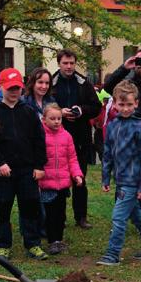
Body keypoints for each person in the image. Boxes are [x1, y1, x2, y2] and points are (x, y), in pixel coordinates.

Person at [97, 80, 141, 266]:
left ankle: (112, 253)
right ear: (114, 103)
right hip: (120, 179)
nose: (125, 108)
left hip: (132, 182)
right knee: (135, 215)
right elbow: (107, 153)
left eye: (129, 105)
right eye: (121, 104)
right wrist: (105, 177)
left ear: (136, 104)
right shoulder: (111, 126)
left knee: (118, 218)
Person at [0, 68, 48, 260]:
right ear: (1, 87)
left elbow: (39, 140)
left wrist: (39, 166)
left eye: (17, 88)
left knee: (30, 206)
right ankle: (3, 243)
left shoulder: (29, 112)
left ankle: (33, 243)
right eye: (10, 88)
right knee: (2, 207)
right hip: (2, 172)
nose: (14, 92)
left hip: (27, 171)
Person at [103, 49, 141, 216]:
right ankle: (121, 212)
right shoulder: (127, 82)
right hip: (125, 139)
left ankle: (140, 215)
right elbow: (108, 87)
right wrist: (125, 68)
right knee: (123, 178)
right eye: (139, 62)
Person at [50, 49, 101, 230]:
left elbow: (96, 106)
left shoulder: (84, 83)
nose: (69, 66)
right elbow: (44, 105)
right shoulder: (51, 82)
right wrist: (60, 112)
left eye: (72, 63)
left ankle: (81, 217)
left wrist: (82, 110)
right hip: (56, 138)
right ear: (59, 63)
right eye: (65, 63)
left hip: (80, 138)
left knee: (80, 178)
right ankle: (59, 217)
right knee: (58, 181)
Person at [38, 103, 83, 255]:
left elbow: (72, 158)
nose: (56, 121)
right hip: (47, 183)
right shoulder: (40, 135)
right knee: (50, 214)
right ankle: (52, 241)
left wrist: (76, 174)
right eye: (52, 119)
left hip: (63, 183)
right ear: (44, 119)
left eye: (59, 118)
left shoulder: (67, 136)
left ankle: (59, 239)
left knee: (61, 213)